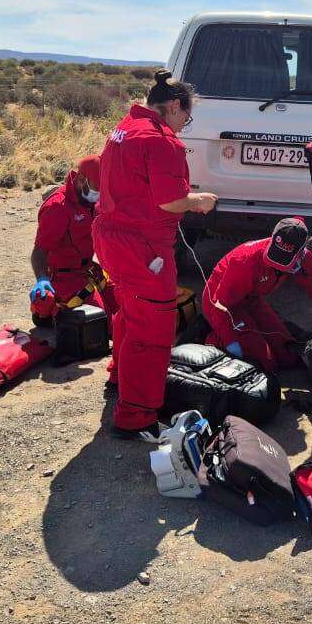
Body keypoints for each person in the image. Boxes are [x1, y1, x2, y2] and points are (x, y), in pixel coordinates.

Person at [93, 70, 217, 441]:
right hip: (141, 245)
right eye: (186, 117)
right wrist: (200, 201)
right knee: (154, 328)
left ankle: (120, 377)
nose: (183, 126)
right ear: (175, 106)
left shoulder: (125, 127)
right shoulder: (162, 141)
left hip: (112, 235)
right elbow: (171, 200)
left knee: (131, 313)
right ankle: (136, 415)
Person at [203, 217, 312, 374]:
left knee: (288, 356)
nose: (278, 266)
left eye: (284, 261)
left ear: (301, 252)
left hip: (252, 300)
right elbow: (219, 305)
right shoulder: (245, 261)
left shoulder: (304, 260)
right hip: (224, 305)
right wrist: (231, 342)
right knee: (264, 364)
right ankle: (210, 338)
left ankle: (250, 330)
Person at [29, 155, 117, 326]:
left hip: (90, 270)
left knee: (127, 305)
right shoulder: (58, 208)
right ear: (81, 180)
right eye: (98, 188)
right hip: (66, 278)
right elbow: (39, 251)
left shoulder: (91, 201)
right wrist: (41, 278)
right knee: (104, 324)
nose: (101, 194)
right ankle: (46, 307)